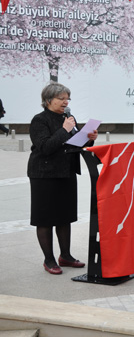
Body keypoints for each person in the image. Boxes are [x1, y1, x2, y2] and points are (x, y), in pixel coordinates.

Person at [28, 83, 98, 275]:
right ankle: (49, 259)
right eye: (61, 98)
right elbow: (45, 147)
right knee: (45, 218)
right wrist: (64, 129)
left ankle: (65, 256)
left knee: (64, 216)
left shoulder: (67, 118)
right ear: (48, 100)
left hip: (66, 172)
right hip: (44, 175)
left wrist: (89, 138)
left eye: (67, 98)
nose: (65, 102)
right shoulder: (39, 120)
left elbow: (74, 142)